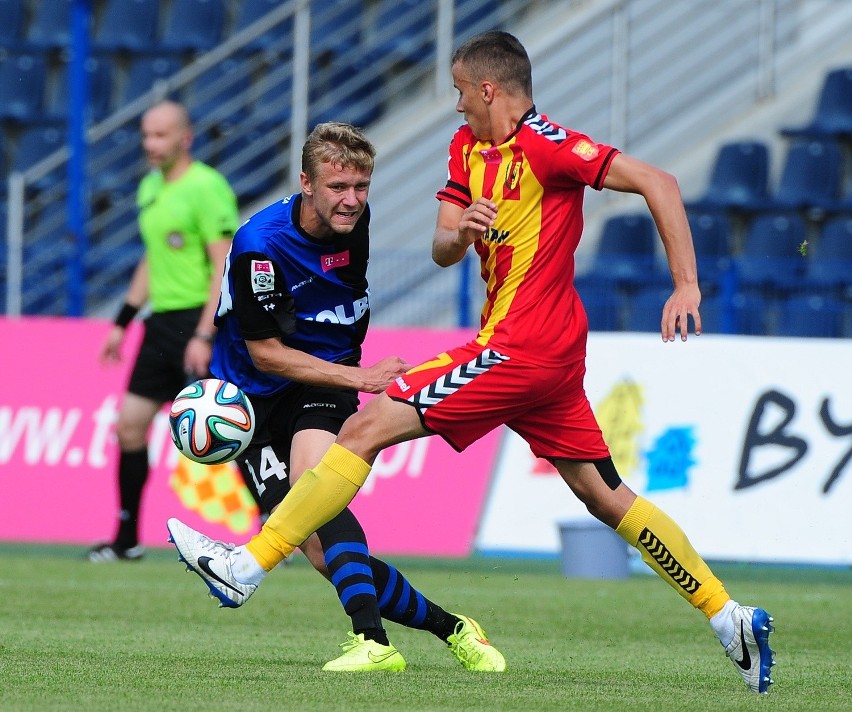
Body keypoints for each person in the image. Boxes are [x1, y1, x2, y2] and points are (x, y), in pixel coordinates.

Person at [167, 32, 776, 693]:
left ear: (488, 89)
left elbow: (659, 181)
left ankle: (246, 568)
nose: (456, 106)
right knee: (604, 496)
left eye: (460, 92)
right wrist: (463, 230)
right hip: (545, 357)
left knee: (364, 430)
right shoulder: (467, 149)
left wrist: (685, 284)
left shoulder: (548, 146)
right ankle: (727, 615)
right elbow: (440, 249)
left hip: (520, 347)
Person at [168, 122, 505, 673]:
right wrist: (366, 378)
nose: (351, 201)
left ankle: (373, 643)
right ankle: (457, 631)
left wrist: (347, 373)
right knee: (324, 553)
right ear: (306, 183)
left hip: (321, 381)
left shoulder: (354, 220)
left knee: (316, 486)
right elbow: (267, 355)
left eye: (362, 186)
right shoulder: (259, 245)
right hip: (255, 395)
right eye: (337, 188)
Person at [88, 101, 238, 562]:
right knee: (129, 427)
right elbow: (153, 258)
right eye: (146, 135)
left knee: (235, 434)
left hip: (199, 321)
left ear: (184, 138)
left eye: (160, 135)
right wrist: (122, 321)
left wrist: (203, 333)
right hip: (161, 325)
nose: (150, 144)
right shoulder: (150, 187)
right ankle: (127, 538)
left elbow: (223, 266)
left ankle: (279, 533)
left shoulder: (207, 188)